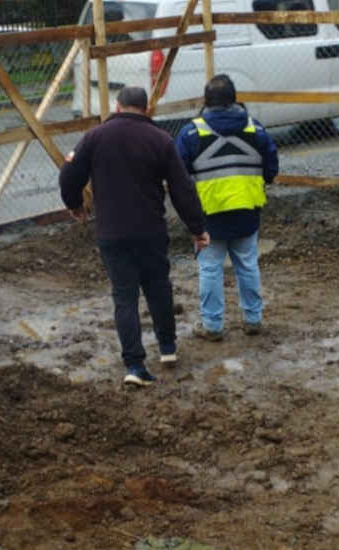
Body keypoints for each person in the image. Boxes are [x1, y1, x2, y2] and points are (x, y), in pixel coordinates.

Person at [59, 86, 210, 387]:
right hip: (150, 231)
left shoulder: (95, 136)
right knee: (158, 288)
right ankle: (167, 348)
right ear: (146, 109)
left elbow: (68, 173)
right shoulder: (160, 140)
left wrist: (74, 203)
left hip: (111, 233)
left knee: (124, 296)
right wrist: (197, 229)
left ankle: (135, 365)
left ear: (117, 106)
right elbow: (183, 189)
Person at [174, 74, 279, 341]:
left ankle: (212, 326)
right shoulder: (256, 129)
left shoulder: (191, 133)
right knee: (247, 265)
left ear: (206, 101)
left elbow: (179, 176)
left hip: (208, 217)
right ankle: (253, 320)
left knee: (210, 269)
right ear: (235, 99)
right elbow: (271, 169)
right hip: (247, 212)